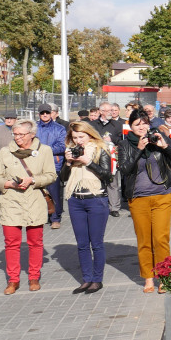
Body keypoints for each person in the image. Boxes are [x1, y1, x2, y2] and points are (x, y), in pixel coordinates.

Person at [118, 110, 171, 293]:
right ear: (130, 126)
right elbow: (124, 169)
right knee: (144, 240)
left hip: (162, 195)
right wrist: (139, 149)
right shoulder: (124, 144)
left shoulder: (158, 137)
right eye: (137, 124)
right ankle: (148, 277)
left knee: (161, 238)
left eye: (144, 123)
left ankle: (164, 276)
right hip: (138, 199)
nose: (142, 127)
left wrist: (165, 146)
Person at [0, 119, 56, 293]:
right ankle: (13, 280)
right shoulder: (5, 151)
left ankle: (34, 277)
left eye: (21, 134)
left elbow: (51, 176)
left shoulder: (44, 151)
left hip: (34, 200)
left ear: (31, 135)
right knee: (11, 243)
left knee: (35, 242)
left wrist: (33, 180)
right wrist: (9, 184)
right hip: (11, 201)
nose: (17, 137)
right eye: (15, 134)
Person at [60, 121, 113, 293]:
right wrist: (68, 162)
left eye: (81, 137)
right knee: (82, 243)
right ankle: (86, 279)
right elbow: (62, 178)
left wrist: (88, 162)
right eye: (74, 137)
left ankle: (97, 280)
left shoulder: (100, 149)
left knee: (96, 243)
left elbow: (107, 176)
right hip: (75, 200)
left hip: (95, 199)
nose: (78, 141)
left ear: (89, 135)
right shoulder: (71, 151)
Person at [35, 103, 66, 229]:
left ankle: (55, 218)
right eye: (42, 113)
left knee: (53, 193)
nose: (45, 115)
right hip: (36, 164)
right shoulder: (34, 128)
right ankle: (39, 217)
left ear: (51, 113)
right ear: (39, 114)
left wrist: (44, 150)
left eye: (47, 112)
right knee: (37, 193)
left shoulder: (59, 128)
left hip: (54, 164)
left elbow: (62, 146)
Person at [92, 101, 124, 217]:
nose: (111, 112)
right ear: (101, 112)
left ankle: (114, 207)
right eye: (108, 110)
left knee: (113, 183)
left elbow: (122, 141)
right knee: (97, 182)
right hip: (96, 158)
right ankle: (98, 206)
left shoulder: (117, 125)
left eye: (112, 110)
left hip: (112, 159)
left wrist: (113, 141)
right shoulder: (93, 125)